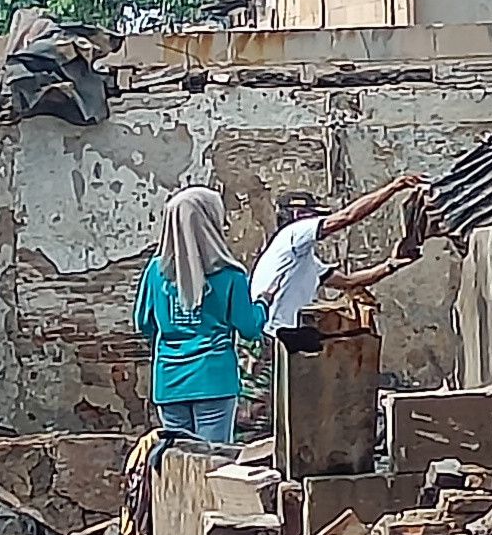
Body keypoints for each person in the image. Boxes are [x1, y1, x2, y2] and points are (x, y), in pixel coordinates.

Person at [133, 185, 264, 443]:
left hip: (169, 381)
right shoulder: (230, 276)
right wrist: (264, 304)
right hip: (214, 379)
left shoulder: (155, 272)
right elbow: (250, 327)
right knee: (213, 462)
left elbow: (143, 323)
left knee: (178, 462)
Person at [249, 175, 428, 329]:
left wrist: (391, 265)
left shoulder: (299, 258)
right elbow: (347, 217)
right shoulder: (293, 233)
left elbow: (348, 282)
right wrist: (393, 187)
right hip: (273, 337)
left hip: (276, 335)